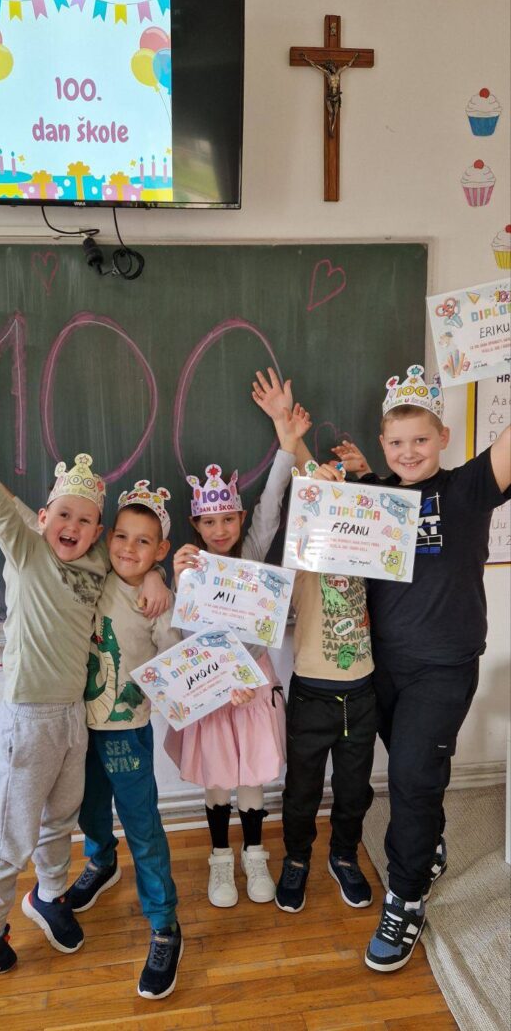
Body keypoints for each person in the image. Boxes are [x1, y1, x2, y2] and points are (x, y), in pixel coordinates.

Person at [0, 385, 108, 975]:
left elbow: (138, 564)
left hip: (73, 717)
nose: (72, 526)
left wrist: (163, 575)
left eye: (85, 520)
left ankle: (50, 895)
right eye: (63, 514)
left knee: (61, 819)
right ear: (41, 519)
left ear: (97, 533)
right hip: (28, 719)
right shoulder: (27, 551)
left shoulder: (98, 566)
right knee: (14, 832)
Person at [355, 365, 511, 972]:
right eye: (397, 441)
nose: (409, 451)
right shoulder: (375, 494)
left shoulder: (467, 487)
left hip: (444, 666)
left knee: (412, 778)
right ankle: (429, 845)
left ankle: (406, 896)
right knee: (414, 769)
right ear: (382, 444)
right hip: (381, 664)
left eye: (421, 439)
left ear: (443, 437)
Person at [166, 386, 310, 908]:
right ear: (196, 525)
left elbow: (272, 503)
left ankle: (254, 854)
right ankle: (220, 860)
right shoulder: (188, 567)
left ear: (240, 519)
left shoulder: (250, 554)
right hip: (211, 689)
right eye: (209, 522)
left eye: (228, 519)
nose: (220, 529)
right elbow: (181, 638)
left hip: (252, 684)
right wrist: (175, 576)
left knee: (251, 777)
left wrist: (286, 446)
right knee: (217, 779)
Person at [250, 370, 376, 917]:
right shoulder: (302, 555)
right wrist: (286, 427)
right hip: (312, 694)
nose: (336, 512)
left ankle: (344, 855)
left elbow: (382, 511)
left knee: (354, 790)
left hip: (362, 693)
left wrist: (357, 477)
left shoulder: (372, 554)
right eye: (324, 503)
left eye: (345, 506)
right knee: (301, 790)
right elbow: (308, 485)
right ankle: (297, 858)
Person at [67, 481, 184, 1000]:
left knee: (142, 826)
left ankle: (164, 924)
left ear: (161, 549)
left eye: (144, 542)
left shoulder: (155, 599)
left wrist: (160, 582)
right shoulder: (88, 570)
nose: (129, 549)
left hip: (126, 731)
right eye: (121, 536)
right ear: (105, 537)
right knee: (87, 808)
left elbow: (175, 660)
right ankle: (101, 859)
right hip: (75, 726)